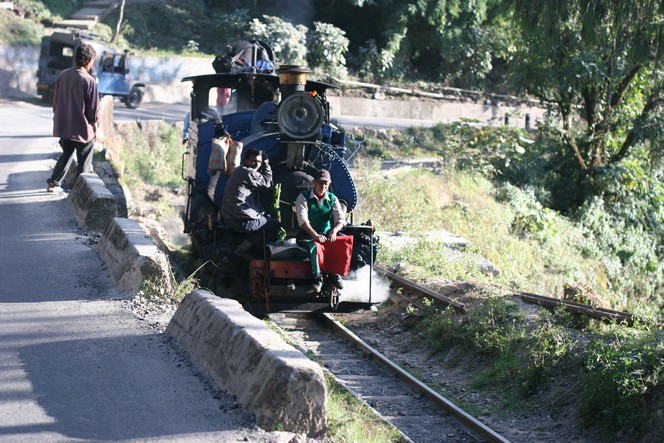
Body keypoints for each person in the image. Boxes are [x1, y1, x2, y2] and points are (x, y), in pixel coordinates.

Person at [47, 43, 100, 192]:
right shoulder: (89, 80)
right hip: (81, 129)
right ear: (89, 61)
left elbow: (55, 102)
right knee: (85, 155)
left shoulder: (63, 74)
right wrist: (94, 126)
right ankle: (79, 189)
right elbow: (94, 110)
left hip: (63, 126)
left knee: (66, 154)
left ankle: (52, 183)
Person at [295, 169, 353, 292]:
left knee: (343, 242)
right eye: (320, 183)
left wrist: (334, 231)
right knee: (314, 246)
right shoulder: (303, 197)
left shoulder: (332, 198)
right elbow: (303, 220)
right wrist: (315, 235)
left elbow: (340, 219)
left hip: (326, 233)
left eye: (326, 184)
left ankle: (335, 274)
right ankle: (317, 277)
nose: (323, 186)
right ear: (314, 183)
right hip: (308, 233)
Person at [220, 149, 281, 259]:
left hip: (231, 216)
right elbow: (267, 184)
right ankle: (244, 249)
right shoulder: (248, 173)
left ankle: (251, 248)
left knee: (266, 218)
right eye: (254, 161)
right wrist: (266, 165)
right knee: (274, 224)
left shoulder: (240, 170)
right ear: (246, 160)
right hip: (241, 220)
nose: (257, 164)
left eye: (259, 162)